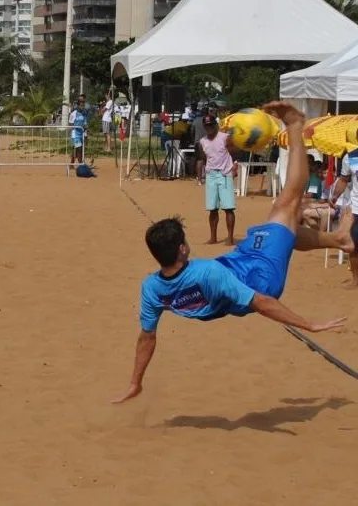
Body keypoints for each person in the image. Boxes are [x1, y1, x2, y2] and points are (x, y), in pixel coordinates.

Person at [113, 101, 353, 404]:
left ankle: (339, 239)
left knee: (277, 229)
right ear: (183, 249)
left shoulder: (151, 288)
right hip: (261, 278)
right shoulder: (208, 273)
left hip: (241, 263)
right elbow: (263, 303)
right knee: (286, 204)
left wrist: (136, 381)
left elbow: (147, 337)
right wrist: (309, 324)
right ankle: (295, 125)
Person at [197, 114, 237, 245]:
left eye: (211, 125)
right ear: (204, 127)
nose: (209, 128)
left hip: (225, 174)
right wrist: (201, 175)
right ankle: (213, 237)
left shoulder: (225, 138)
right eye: (206, 126)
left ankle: (230, 238)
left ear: (216, 125)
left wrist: (234, 167)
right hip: (211, 176)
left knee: (228, 208)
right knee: (212, 208)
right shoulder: (202, 142)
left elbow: (234, 153)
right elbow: (203, 159)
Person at [326, 149, 358, 287]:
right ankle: (356, 279)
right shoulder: (350, 157)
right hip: (356, 208)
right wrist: (335, 195)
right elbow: (344, 179)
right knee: (354, 244)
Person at [68, 94, 87, 170]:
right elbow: (70, 124)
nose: (82, 104)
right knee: (79, 149)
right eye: (81, 102)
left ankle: (71, 164)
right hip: (75, 134)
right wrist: (73, 133)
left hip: (81, 134)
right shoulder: (74, 113)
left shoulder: (84, 113)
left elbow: (85, 124)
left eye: (83, 102)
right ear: (78, 104)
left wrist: (86, 135)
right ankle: (81, 165)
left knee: (77, 150)